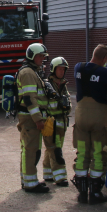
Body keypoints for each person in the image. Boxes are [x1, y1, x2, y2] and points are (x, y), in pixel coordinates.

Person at [72, 44, 107, 204]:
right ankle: (95, 193)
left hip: (81, 115)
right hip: (98, 116)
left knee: (83, 153)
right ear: (105, 59)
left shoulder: (78, 67)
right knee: (98, 153)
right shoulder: (105, 72)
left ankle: (82, 193)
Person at [16, 43, 51, 193]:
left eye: (43, 56)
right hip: (30, 118)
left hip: (29, 116)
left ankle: (28, 180)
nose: (42, 59)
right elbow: (30, 98)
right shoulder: (29, 73)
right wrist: (38, 119)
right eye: (40, 56)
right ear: (32, 56)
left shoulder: (32, 71)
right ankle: (30, 183)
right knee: (31, 150)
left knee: (29, 149)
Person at [42, 56, 71, 187]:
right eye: (59, 69)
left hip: (62, 122)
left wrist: (67, 106)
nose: (62, 71)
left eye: (63, 69)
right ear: (53, 69)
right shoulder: (47, 85)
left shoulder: (63, 84)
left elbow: (67, 102)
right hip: (51, 123)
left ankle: (48, 173)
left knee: (51, 149)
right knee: (56, 150)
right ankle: (60, 177)